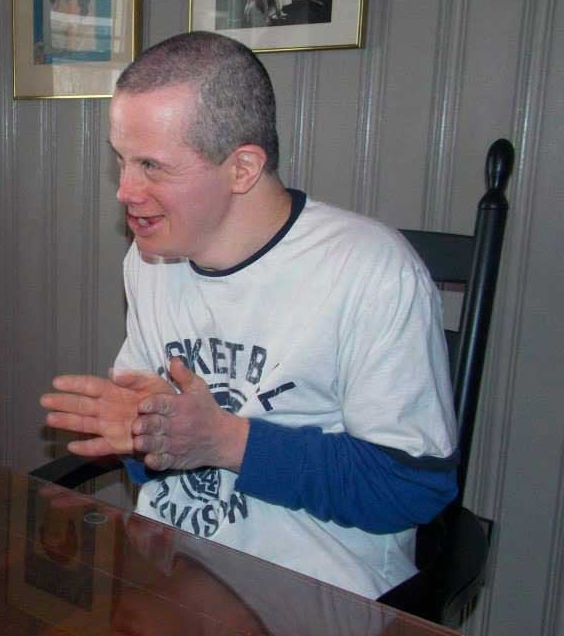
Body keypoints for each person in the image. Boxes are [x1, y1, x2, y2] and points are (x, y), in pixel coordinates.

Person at [40, 31, 458, 599]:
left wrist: (227, 441)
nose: (125, 191)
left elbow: (411, 488)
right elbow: (157, 457)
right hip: (166, 592)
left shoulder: (372, 273)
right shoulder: (150, 261)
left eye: (152, 166)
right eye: (121, 161)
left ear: (242, 168)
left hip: (317, 613)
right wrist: (143, 438)